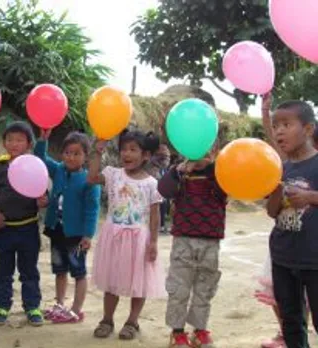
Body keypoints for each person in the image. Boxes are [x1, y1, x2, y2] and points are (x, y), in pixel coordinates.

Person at [88, 129, 165, 341]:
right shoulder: (113, 174)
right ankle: (107, 320)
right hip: (114, 236)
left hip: (139, 239)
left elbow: (155, 215)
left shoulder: (151, 183)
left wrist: (154, 242)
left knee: (139, 282)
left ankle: (132, 321)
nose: (127, 154)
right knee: (112, 280)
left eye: (133, 150)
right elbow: (92, 177)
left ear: (146, 155)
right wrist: (96, 151)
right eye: (124, 149)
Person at [158, 147, 227, 348]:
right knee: (179, 288)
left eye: (208, 150)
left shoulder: (221, 173)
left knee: (205, 288)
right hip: (183, 240)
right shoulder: (180, 172)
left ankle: (200, 330)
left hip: (211, 240)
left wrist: (213, 168)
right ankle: (177, 332)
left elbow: (225, 192)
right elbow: (164, 190)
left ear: (214, 150)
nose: (202, 155)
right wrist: (179, 170)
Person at [0, 121, 48, 327]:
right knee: (4, 270)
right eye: (10, 139)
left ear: (28, 144)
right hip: (5, 230)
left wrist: (43, 200)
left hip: (28, 229)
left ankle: (32, 307)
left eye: (19, 140)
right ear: (4, 143)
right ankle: (2, 307)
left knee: (29, 271)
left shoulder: (35, 166)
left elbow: (44, 192)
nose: (14, 144)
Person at [34, 129, 101, 323]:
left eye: (76, 153)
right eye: (67, 153)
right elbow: (39, 158)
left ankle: (76, 310)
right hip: (57, 231)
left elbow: (92, 210)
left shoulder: (90, 181)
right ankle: (60, 304)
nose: (71, 157)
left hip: (77, 235)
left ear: (85, 157)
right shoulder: (58, 170)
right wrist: (43, 139)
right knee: (59, 270)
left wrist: (88, 235)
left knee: (79, 272)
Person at [266, 100, 318, 348]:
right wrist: (276, 190)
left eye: (286, 124)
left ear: (308, 130)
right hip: (283, 257)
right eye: (276, 126)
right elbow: (271, 212)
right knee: (291, 321)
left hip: (315, 259)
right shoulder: (279, 168)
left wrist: (310, 197)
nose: (279, 131)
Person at [148, 143, 171, 233]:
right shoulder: (152, 161)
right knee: (156, 206)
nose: (166, 155)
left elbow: (166, 163)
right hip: (154, 185)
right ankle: (157, 225)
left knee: (162, 206)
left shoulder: (163, 163)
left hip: (161, 185)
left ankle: (161, 225)